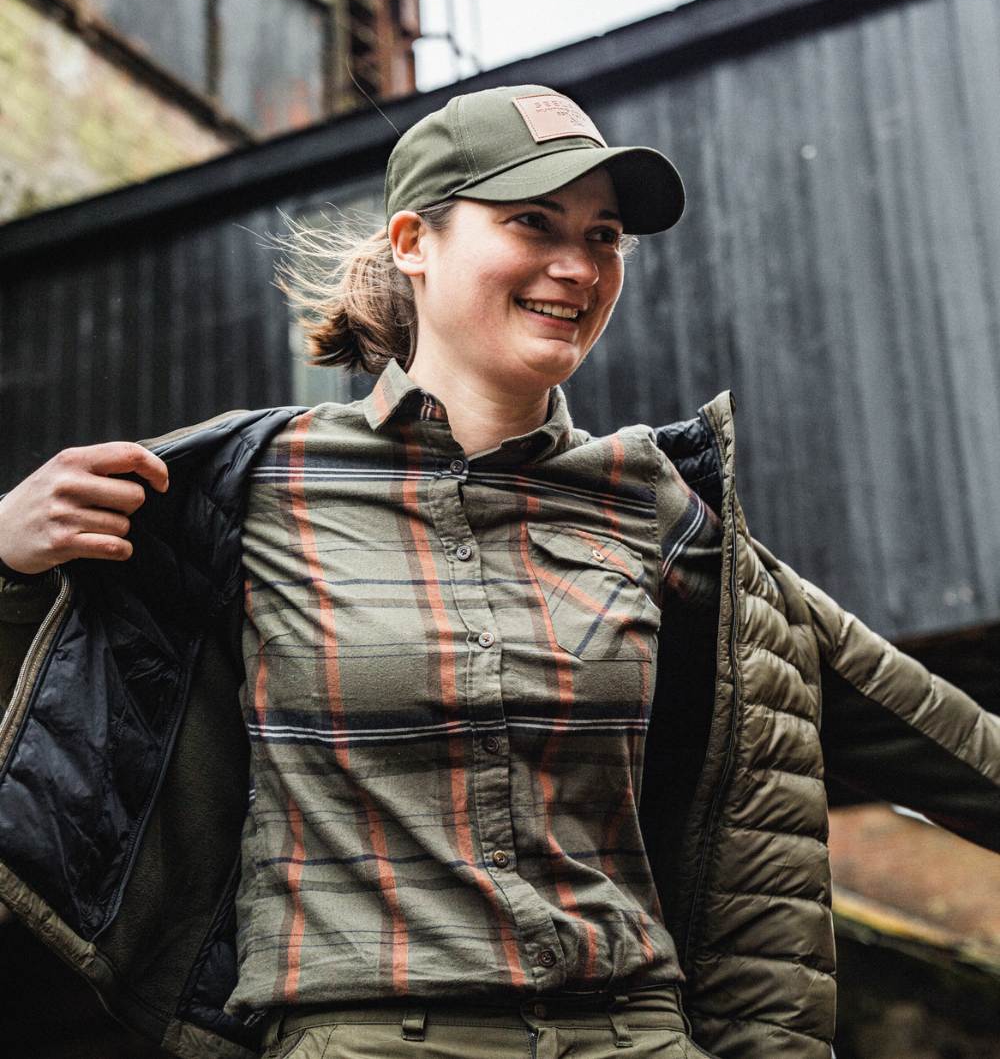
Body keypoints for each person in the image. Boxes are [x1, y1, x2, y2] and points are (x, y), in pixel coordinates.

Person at [0, 84, 996, 1059]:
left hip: (634, 1028)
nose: (577, 265)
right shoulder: (251, 484)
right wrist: (5, 558)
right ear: (412, 242)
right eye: (534, 222)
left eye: (604, 236)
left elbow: (913, 724)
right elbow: (53, 718)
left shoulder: (659, 507)